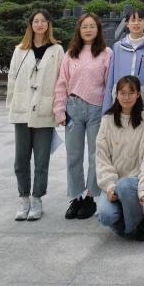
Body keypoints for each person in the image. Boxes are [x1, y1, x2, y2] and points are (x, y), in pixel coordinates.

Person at [53, 13, 112, 221]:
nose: (88, 30)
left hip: (97, 109)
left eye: (92, 26)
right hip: (73, 108)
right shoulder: (70, 54)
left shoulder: (106, 53)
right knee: (73, 155)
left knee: (96, 155)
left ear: (98, 29)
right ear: (79, 30)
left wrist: (108, 111)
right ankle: (76, 197)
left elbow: (109, 84)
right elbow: (61, 83)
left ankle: (90, 196)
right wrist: (59, 110)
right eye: (84, 26)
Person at [6, 9, 64, 221]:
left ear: (49, 24)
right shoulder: (20, 50)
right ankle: (23, 198)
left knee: (41, 160)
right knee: (21, 159)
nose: (39, 24)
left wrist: (59, 108)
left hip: (44, 110)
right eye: (36, 21)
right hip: (22, 109)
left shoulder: (57, 50)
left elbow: (61, 80)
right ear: (31, 25)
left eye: (43, 21)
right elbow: (12, 78)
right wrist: (12, 104)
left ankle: (37, 198)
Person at [96, 75, 144, 241]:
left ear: (138, 94)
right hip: (114, 184)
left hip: (134, 183)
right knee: (105, 215)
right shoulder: (107, 120)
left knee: (124, 185)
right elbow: (101, 158)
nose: (126, 97)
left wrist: (143, 190)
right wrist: (109, 187)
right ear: (116, 94)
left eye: (131, 93)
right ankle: (132, 223)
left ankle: (139, 221)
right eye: (122, 93)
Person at [103, 9, 144, 113]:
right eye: (133, 20)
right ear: (127, 24)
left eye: (140, 20)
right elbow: (111, 77)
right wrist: (107, 107)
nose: (136, 23)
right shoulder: (118, 47)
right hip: (121, 100)